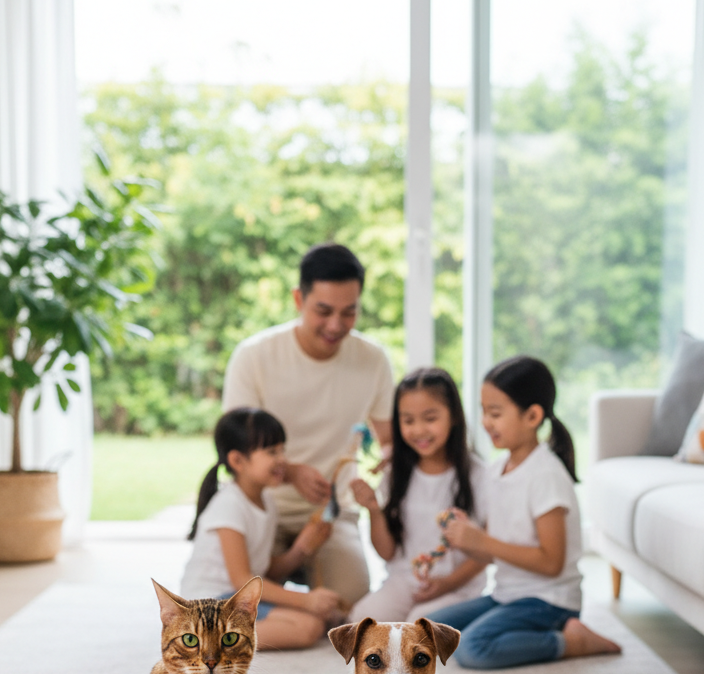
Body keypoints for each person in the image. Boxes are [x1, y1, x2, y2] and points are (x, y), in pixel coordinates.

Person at [222, 243, 394, 607]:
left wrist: (392, 466)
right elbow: (233, 449)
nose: (336, 325)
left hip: (331, 514)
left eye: (349, 312)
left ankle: (291, 587)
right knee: (236, 602)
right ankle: (287, 587)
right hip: (261, 507)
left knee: (348, 603)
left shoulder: (373, 360)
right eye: (324, 311)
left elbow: (390, 441)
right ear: (299, 299)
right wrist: (292, 472)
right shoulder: (254, 356)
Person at [427, 355, 621, 668]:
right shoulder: (496, 471)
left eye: (496, 413)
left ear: (532, 416)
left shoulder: (545, 475)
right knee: (430, 630)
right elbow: (497, 551)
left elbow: (551, 563)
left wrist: (484, 542)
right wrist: (468, 539)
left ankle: (570, 641)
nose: (486, 422)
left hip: (549, 601)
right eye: (483, 412)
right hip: (508, 594)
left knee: (473, 649)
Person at [181, 407, 344, 649]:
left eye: (282, 450)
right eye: (271, 452)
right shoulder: (229, 505)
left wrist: (302, 548)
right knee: (307, 627)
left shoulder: (266, 500)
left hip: (236, 598)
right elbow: (242, 580)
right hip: (212, 603)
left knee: (318, 619)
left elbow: (263, 570)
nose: (282, 460)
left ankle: (223, 636)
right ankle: (209, 640)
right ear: (238, 461)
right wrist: (305, 600)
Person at [347, 367, 489, 623]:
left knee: (419, 625)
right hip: (404, 581)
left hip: (458, 586)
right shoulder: (394, 474)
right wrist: (373, 511)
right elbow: (388, 553)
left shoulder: (478, 474)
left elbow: (485, 552)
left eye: (430, 418)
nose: (419, 430)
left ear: (454, 416)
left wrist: (447, 584)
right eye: (408, 421)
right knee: (361, 620)